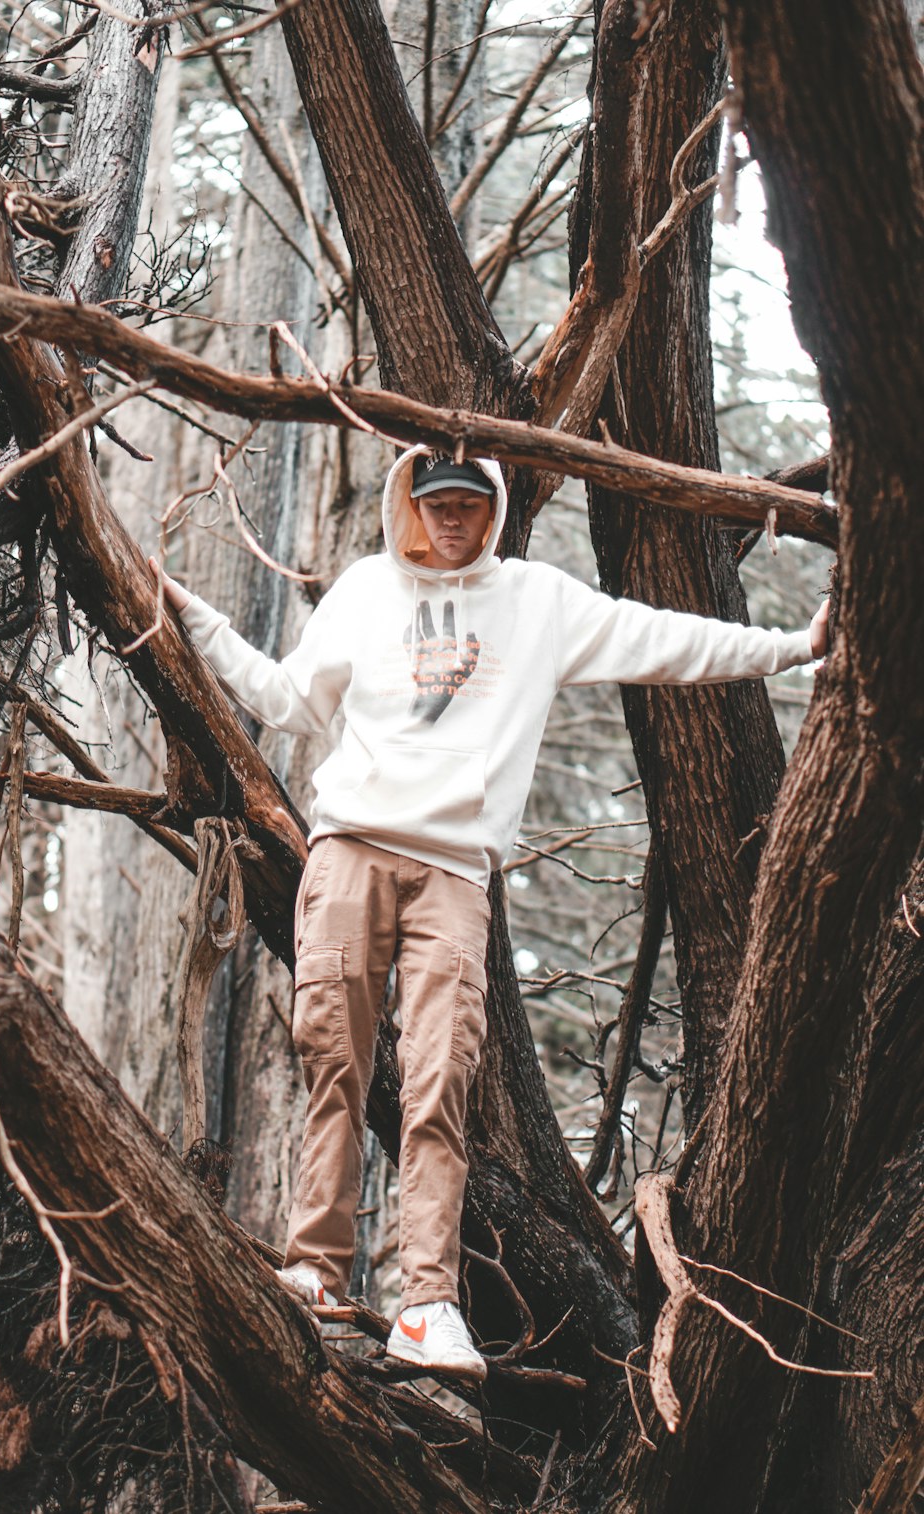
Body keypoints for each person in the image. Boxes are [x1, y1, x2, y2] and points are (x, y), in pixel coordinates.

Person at [152, 446, 830, 1380]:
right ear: (410, 504)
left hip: (453, 877)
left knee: (439, 1082)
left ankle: (426, 1303)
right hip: (348, 852)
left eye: (471, 502)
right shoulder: (362, 590)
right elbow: (287, 700)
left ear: (496, 506)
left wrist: (795, 646)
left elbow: (664, 638)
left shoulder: (538, 603)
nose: (454, 518)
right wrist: (194, 618)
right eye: (437, 503)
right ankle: (313, 1268)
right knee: (333, 1062)